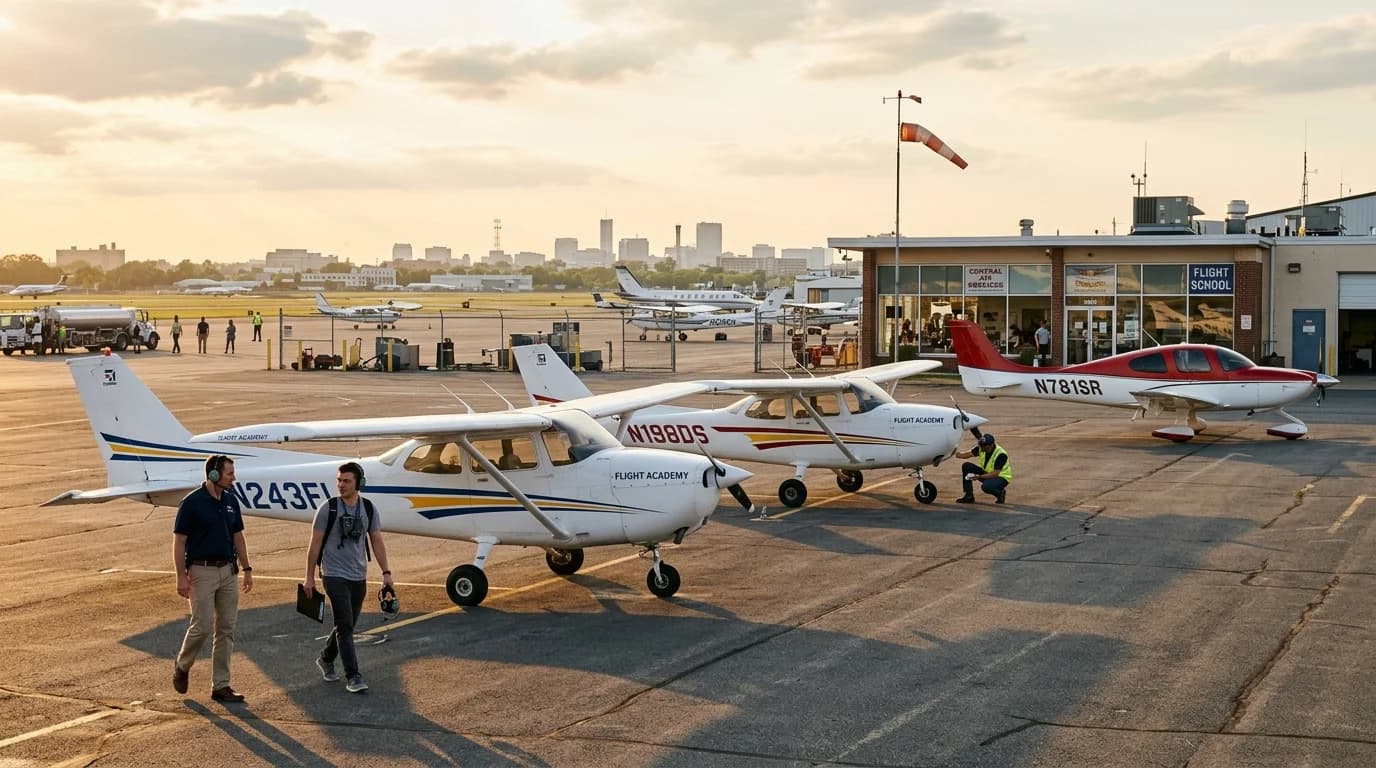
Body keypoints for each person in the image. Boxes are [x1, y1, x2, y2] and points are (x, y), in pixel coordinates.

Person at [304, 462, 393, 694]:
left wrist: (386, 573)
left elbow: (376, 540)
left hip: (358, 575)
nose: (341, 485)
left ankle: (325, 657)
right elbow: (314, 544)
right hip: (333, 574)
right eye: (339, 480)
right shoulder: (328, 509)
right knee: (344, 624)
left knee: (348, 623)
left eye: (347, 481)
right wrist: (309, 577)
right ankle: (353, 676)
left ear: (359, 483)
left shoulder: (369, 509)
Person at [172, 455, 253, 703]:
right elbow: (179, 542)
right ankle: (183, 665)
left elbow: (238, 536)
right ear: (214, 475)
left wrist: (247, 568)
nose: (234, 478)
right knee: (203, 625)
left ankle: (221, 685)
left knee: (226, 628)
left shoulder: (230, 500)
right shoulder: (192, 503)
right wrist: (180, 578)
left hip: (228, 571)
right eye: (230, 473)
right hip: (201, 572)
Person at [955, 433, 1012, 504]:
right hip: (987, 473)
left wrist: (979, 476)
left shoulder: (1001, 454)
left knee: (986, 486)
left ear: (991, 445)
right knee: (966, 466)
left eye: (984, 447)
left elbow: (995, 474)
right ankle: (968, 496)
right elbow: (969, 454)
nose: (982, 449)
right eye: (981, 446)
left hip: (1001, 478)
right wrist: (956, 454)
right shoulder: (981, 448)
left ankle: (1000, 493)